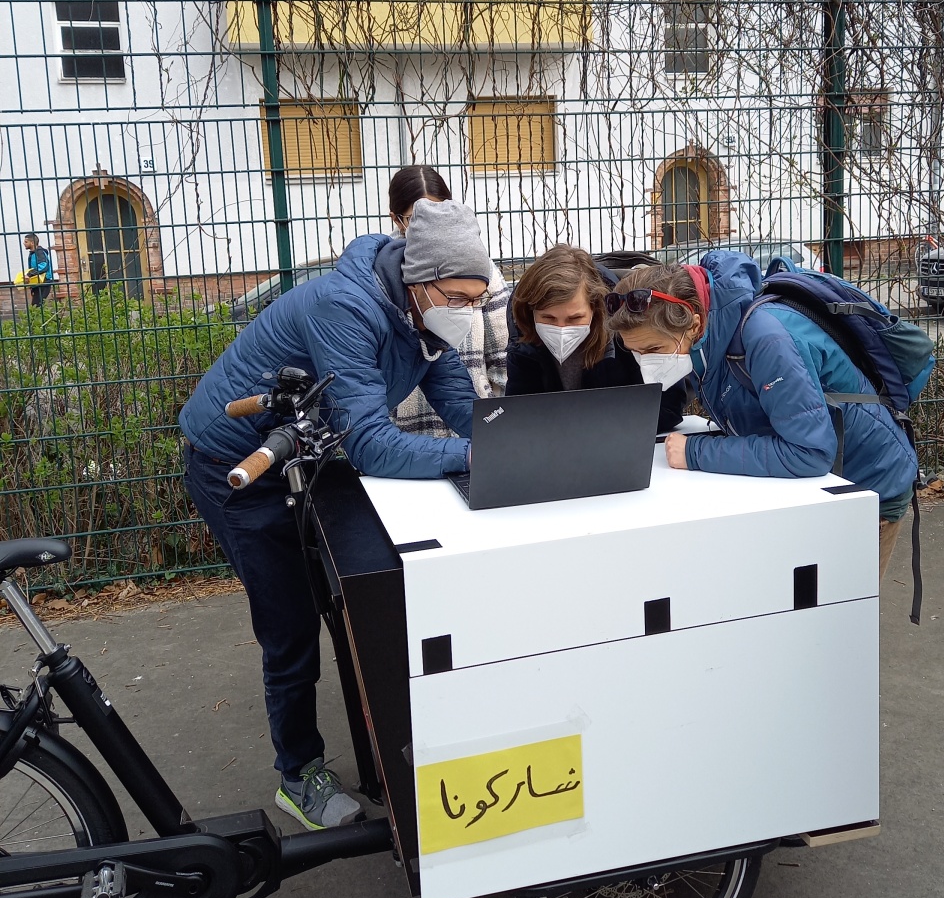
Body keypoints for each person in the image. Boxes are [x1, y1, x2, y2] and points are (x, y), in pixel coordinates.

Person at [179, 200, 493, 830]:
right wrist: (484, 459)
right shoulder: (345, 307)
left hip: (310, 455)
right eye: (457, 299)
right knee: (291, 624)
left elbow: (465, 408)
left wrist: (519, 445)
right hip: (239, 467)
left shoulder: (426, 316)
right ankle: (299, 774)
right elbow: (372, 444)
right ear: (419, 281)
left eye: (477, 300)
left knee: (365, 597)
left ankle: (387, 751)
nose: (468, 315)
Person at [605, 254, 918, 578]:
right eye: (636, 352)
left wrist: (696, 452)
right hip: (820, 490)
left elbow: (810, 453)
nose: (646, 365)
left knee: (841, 620)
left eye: (653, 350)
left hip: (867, 486)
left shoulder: (766, 339)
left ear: (692, 320)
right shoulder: (708, 332)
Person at [506, 244, 686, 433]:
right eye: (547, 318)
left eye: (575, 318)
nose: (561, 329)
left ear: (596, 308)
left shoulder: (629, 325)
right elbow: (518, 414)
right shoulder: (522, 332)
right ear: (530, 312)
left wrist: (595, 430)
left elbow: (667, 406)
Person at [387, 165, 509, 437]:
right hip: (408, 436)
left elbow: (501, 355)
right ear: (396, 219)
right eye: (417, 216)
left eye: (439, 209)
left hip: (471, 426)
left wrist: (495, 418)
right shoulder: (386, 277)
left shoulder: (480, 273)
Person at [22, 233, 53, 307]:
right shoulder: (33, 253)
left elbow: (43, 266)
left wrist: (29, 274)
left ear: (32, 243)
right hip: (37, 282)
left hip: (44, 282)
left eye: (26, 242)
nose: (24, 243)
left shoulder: (39, 252)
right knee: (36, 306)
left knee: (37, 307)